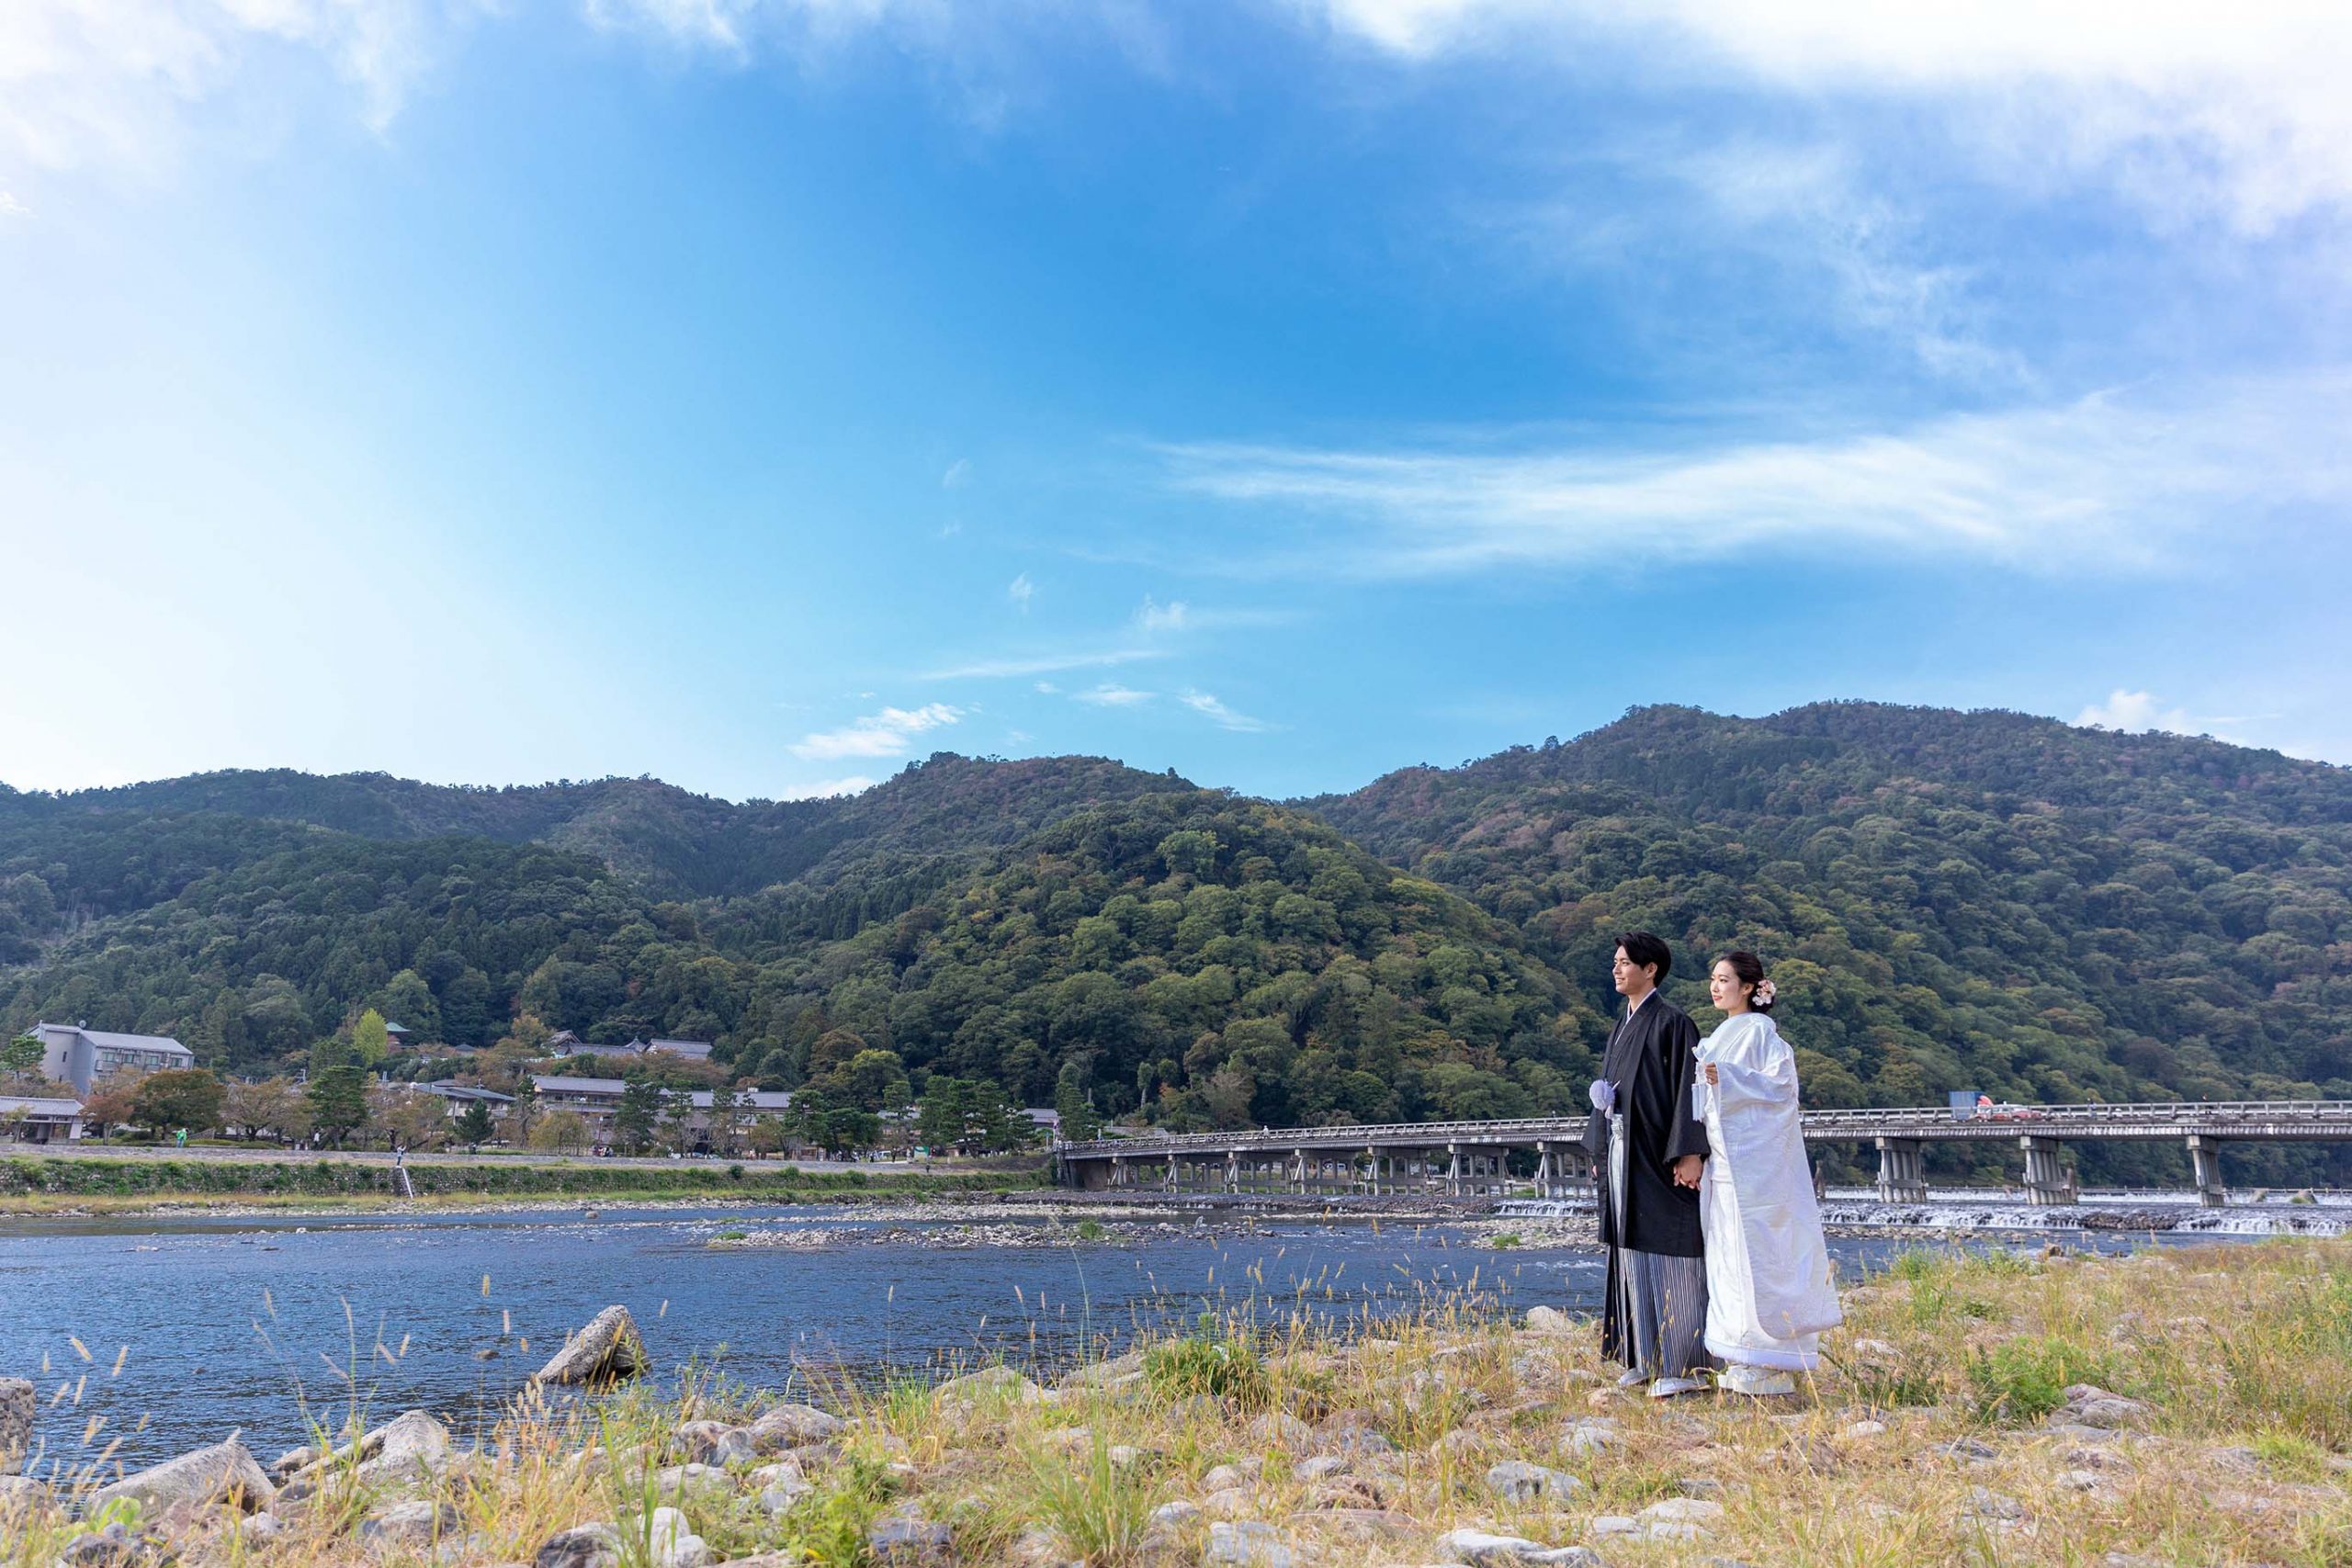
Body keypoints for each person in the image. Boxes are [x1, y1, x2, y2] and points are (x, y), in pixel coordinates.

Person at [1694, 952, 1843, 1395]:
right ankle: (1738, 1353)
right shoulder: (1722, 1033)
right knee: (1726, 1258)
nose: (1716, 987)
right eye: (1713, 979)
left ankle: (1767, 1358)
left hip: (1754, 1172)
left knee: (1756, 1255)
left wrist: (1730, 1079)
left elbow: (1781, 1090)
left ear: (1749, 988)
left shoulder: (1761, 1034)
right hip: (1724, 1165)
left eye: (1725, 980)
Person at [1586, 931, 1711, 1397]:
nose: (1617, 969)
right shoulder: (1621, 1026)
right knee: (1631, 1249)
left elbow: (1689, 1090)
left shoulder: (1674, 1023)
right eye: (1615, 962)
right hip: (1624, 1152)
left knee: (1672, 1251)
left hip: (1661, 1156)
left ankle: (1684, 1363)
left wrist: (1690, 1150)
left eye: (1624, 962)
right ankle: (1645, 1356)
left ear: (1650, 968)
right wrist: (1601, 1151)